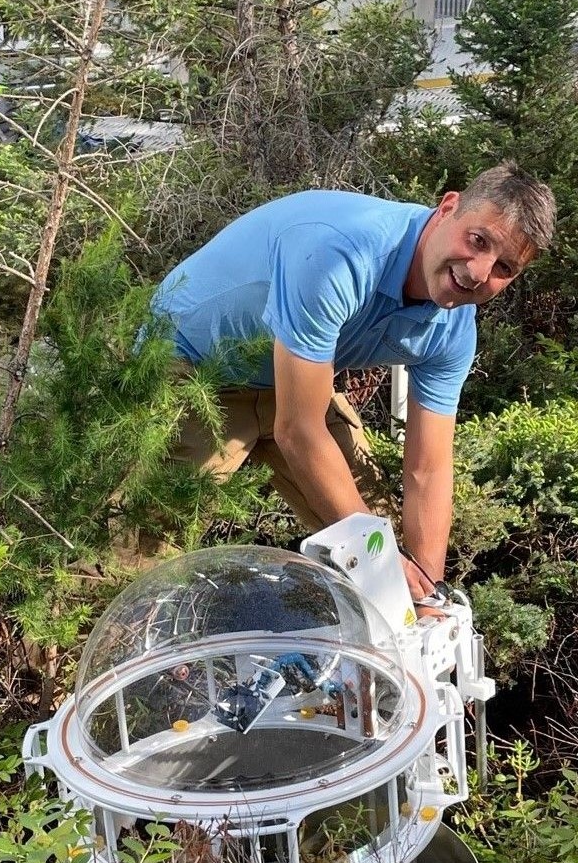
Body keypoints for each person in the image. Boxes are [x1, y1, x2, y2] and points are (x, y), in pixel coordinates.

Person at [152, 161, 556, 606]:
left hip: (292, 376)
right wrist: (376, 562)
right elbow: (298, 430)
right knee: (146, 537)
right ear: (448, 208)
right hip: (193, 362)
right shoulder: (342, 254)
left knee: (382, 542)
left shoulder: (453, 329)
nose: (479, 272)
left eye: (504, 268)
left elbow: (429, 468)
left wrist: (426, 596)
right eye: (477, 241)